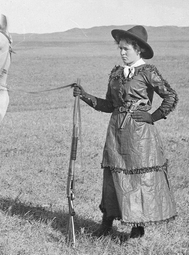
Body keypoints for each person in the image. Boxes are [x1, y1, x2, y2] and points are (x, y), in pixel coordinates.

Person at [73, 25, 178, 238]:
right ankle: (107, 222)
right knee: (112, 176)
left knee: (139, 179)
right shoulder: (115, 73)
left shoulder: (148, 72)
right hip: (116, 133)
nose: (122, 52)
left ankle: (138, 227)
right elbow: (109, 105)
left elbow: (171, 97)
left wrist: (152, 116)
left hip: (140, 135)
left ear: (138, 50)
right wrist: (84, 95)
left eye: (126, 49)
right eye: (120, 48)